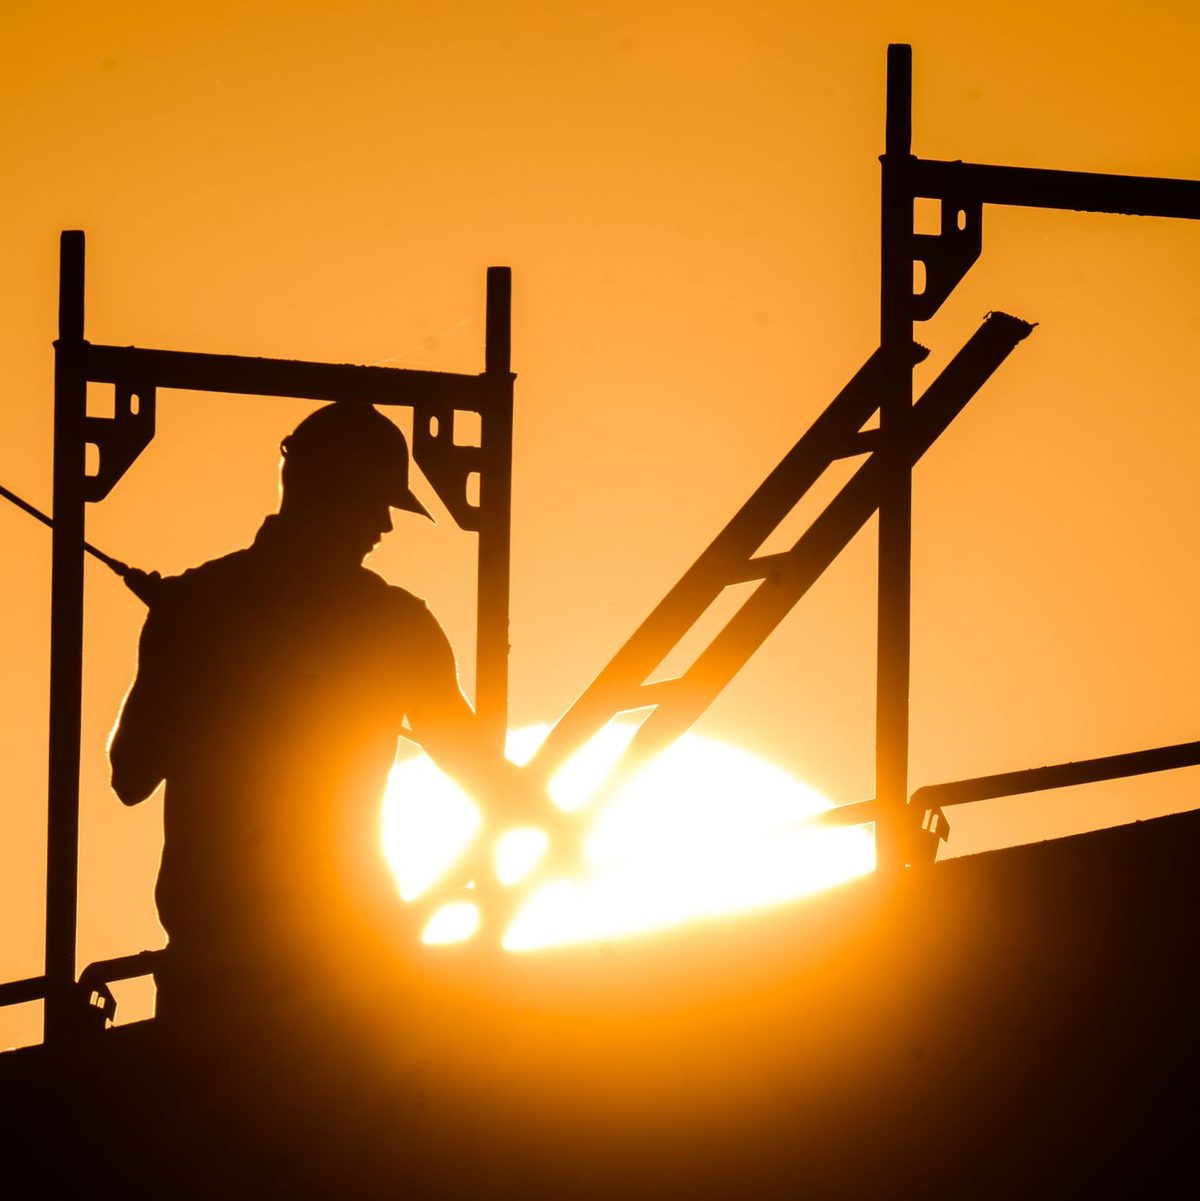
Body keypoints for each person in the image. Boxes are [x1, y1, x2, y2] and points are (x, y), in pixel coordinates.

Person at [108, 402, 539, 1029]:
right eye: (375, 504)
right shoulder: (391, 625)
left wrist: (190, 642)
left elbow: (130, 773)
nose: (385, 527)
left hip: (243, 974)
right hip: (329, 970)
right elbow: (131, 779)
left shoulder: (198, 606)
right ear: (325, 495)